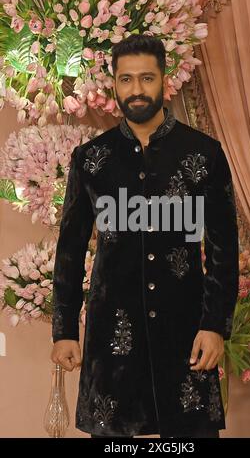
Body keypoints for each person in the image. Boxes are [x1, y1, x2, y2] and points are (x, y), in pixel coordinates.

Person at [51, 34, 239, 439]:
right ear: (114, 83)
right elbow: (69, 251)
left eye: (147, 78)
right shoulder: (91, 160)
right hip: (112, 339)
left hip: (185, 329)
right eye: (126, 80)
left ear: (164, 80)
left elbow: (224, 249)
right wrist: (64, 330)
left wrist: (215, 326)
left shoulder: (203, 154)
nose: (136, 90)